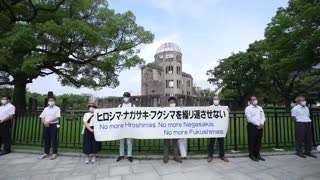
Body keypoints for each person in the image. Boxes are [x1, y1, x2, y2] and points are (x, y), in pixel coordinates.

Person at [207, 95, 229, 162]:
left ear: (219, 100)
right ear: (213, 100)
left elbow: (226, 116)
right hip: (213, 128)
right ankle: (210, 156)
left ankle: (222, 155)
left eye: (217, 99)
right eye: (214, 99)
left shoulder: (223, 108)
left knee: (221, 142)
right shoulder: (209, 108)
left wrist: (228, 111)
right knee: (211, 142)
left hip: (220, 128)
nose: (215, 101)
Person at [245, 96, 266, 162]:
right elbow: (249, 118)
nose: (255, 100)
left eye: (255, 99)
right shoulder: (248, 108)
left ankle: (257, 154)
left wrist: (262, 123)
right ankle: (251, 155)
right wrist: (258, 124)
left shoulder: (260, 108)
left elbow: (263, 116)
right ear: (250, 101)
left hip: (260, 126)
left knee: (258, 140)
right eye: (253, 99)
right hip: (252, 126)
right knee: (252, 141)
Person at [116, 92, 135, 162]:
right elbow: (116, 114)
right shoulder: (120, 106)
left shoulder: (132, 106)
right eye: (124, 96)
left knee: (129, 141)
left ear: (129, 98)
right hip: (121, 126)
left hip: (129, 126)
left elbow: (136, 114)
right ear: (123, 97)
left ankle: (129, 155)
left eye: (127, 97)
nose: (125, 98)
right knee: (121, 141)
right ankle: (121, 155)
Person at [163, 96, 182, 164]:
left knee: (175, 143)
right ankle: (165, 157)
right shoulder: (165, 110)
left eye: (173, 102)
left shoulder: (178, 110)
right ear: (168, 103)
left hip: (175, 129)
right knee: (166, 144)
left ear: (175, 103)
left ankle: (176, 156)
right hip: (167, 129)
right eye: (171, 102)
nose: (172, 103)